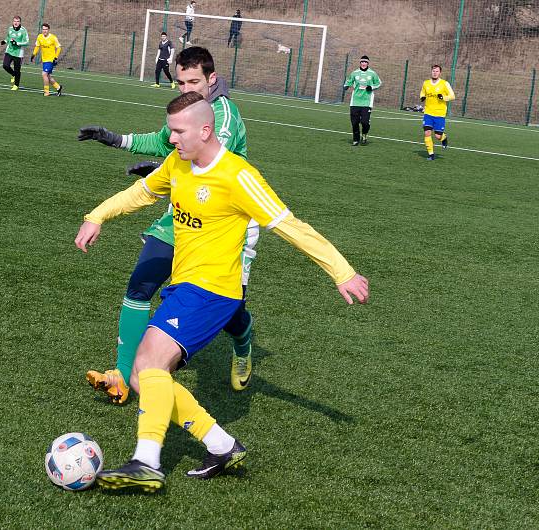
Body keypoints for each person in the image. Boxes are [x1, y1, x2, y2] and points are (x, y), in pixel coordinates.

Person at [76, 91, 369, 491]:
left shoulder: (237, 176)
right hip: (185, 286)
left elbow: (289, 225)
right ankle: (222, 445)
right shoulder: (178, 165)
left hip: (213, 289)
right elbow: (141, 193)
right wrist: (97, 216)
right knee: (146, 378)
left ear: (205, 130)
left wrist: (342, 272)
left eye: (178, 132)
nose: (172, 139)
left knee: (148, 362)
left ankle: (147, 462)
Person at [78, 47, 254, 405]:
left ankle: (243, 340)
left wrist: (163, 175)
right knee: (140, 285)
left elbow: (203, 158)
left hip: (221, 225)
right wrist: (115, 139)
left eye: (194, 81)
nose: (186, 87)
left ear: (212, 80)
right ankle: (123, 376)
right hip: (179, 214)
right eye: (180, 81)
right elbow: (163, 142)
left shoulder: (222, 117)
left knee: (228, 311)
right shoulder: (186, 111)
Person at [343, 55, 381, 146]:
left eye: (365, 62)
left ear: (368, 63)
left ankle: (364, 135)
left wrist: (371, 87)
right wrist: (346, 86)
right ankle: (356, 139)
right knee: (355, 122)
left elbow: (379, 83)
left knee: (364, 122)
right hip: (355, 101)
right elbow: (349, 81)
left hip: (367, 102)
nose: (364, 63)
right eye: (362, 62)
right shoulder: (355, 73)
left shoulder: (372, 73)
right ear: (360, 63)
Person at [420, 64, 455, 161]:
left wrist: (443, 97)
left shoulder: (444, 84)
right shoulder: (426, 83)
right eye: (433, 71)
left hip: (439, 114)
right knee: (427, 133)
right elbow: (422, 92)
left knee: (437, 136)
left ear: (440, 73)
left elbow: (452, 96)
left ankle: (444, 138)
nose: (435, 73)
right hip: (428, 113)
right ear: (431, 72)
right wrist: (422, 97)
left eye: (437, 71)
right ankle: (431, 154)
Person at [31, 23, 62, 96]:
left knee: (44, 74)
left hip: (51, 60)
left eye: (46, 29)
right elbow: (37, 46)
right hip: (44, 60)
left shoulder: (53, 37)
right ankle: (58, 87)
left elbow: (59, 48)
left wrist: (56, 57)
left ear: (48, 30)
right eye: (43, 29)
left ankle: (46, 92)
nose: (44, 31)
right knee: (48, 76)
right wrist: (33, 54)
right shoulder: (39, 37)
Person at [0, 15, 29, 90]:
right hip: (9, 51)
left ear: (20, 22)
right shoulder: (10, 29)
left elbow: (27, 42)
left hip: (19, 53)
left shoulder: (23, 31)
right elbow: (8, 38)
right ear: (13, 22)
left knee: (17, 70)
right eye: (14, 21)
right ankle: (13, 74)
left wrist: (18, 43)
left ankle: (16, 85)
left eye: (18, 21)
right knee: (5, 65)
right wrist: (5, 41)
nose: (16, 23)